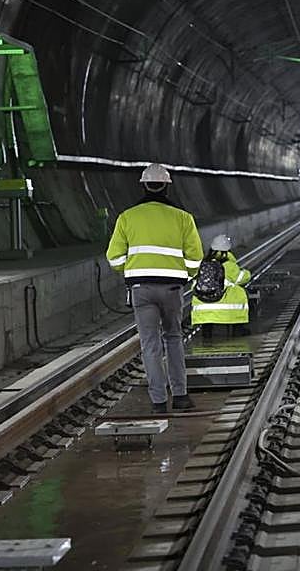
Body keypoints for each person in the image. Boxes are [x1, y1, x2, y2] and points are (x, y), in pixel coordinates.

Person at [106, 163, 204, 413]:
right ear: (167, 187)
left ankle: (159, 402)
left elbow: (114, 258)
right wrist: (187, 274)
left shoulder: (127, 217)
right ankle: (180, 396)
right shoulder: (183, 218)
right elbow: (195, 258)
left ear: (143, 185)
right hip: (172, 288)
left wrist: (131, 268)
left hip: (141, 287)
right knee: (173, 338)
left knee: (150, 344)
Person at [191, 234, 252, 339]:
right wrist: (246, 272)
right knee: (239, 292)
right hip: (227, 311)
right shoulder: (229, 265)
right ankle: (238, 329)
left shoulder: (203, 265)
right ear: (227, 251)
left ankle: (207, 333)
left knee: (207, 322)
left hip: (203, 309)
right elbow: (243, 278)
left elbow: (194, 285)